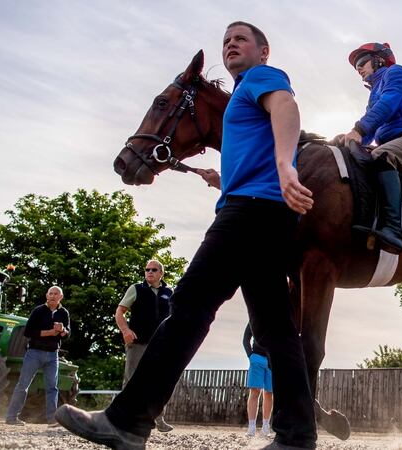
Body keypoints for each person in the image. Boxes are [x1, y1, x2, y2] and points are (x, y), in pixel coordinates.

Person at [56, 21, 318, 450]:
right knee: (275, 330)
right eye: (226, 41)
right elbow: (260, 149)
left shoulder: (261, 78)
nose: (231, 44)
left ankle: (127, 420)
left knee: (191, 306)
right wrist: (225, 179)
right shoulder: (244, 102)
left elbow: (287, 106)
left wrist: (288, 165)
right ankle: (297, 437)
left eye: (241, 39)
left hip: (248, 215)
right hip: (264, 213)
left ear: (263, 51)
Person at [334, 42, 402, 254]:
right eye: (356, 68)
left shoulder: (396, 73)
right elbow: (372, 128)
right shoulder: (373, 93)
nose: (359, 69)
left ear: (379, 59)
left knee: (382, 155)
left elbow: (388, 104)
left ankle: (393, 229)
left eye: (362, 63)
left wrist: (359, 131)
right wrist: (351, 140)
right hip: (395, 142)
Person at [114, 259, 174, 433]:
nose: (149, 272)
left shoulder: (168, 292)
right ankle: (123, 419)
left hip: (160, 345)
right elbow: (120, 311)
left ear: (161, 273)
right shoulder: (136, 289)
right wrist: (125, 330)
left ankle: (158, 419)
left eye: (153, 270)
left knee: (159, 383)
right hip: (138, 342)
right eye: (147, 269)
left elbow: (173, 318)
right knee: (131, 380)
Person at [6, 286, 70, 427]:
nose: (53, 296)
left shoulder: (64, 313)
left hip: (53, 355)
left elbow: (67, 334)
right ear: (47, 296)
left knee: (52, 388)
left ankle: (52, 420)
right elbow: (28, 332)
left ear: (61, 297)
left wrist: (63, 330)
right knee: (23, 385)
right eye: (50, 293)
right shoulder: (38, 311)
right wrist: (50, 333)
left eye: (56, 294)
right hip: (34, 352)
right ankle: (11, 418)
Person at [243, 323, 273, 437]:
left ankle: (266, 427)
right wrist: (250, 355)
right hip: (257, 359)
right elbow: (246, 338)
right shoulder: (254, 317)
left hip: (272, 361)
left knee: (269, 393)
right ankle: (251, 427)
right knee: (255, 392)